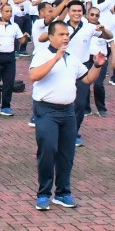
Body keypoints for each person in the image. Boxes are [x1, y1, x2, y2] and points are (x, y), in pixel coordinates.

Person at [28, 19, 96, 211]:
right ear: (51, 37)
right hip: (46, 110)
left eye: (67, 34)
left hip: (68, 112)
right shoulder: (42, 55)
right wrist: (55, 59)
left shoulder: (72, 58)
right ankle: (43, 194)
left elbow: (87, 78)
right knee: (48, 151)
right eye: (61, 34)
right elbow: (33, 76)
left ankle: (63, 193)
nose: (66, 37)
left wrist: (97, 65)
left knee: (67, 154)